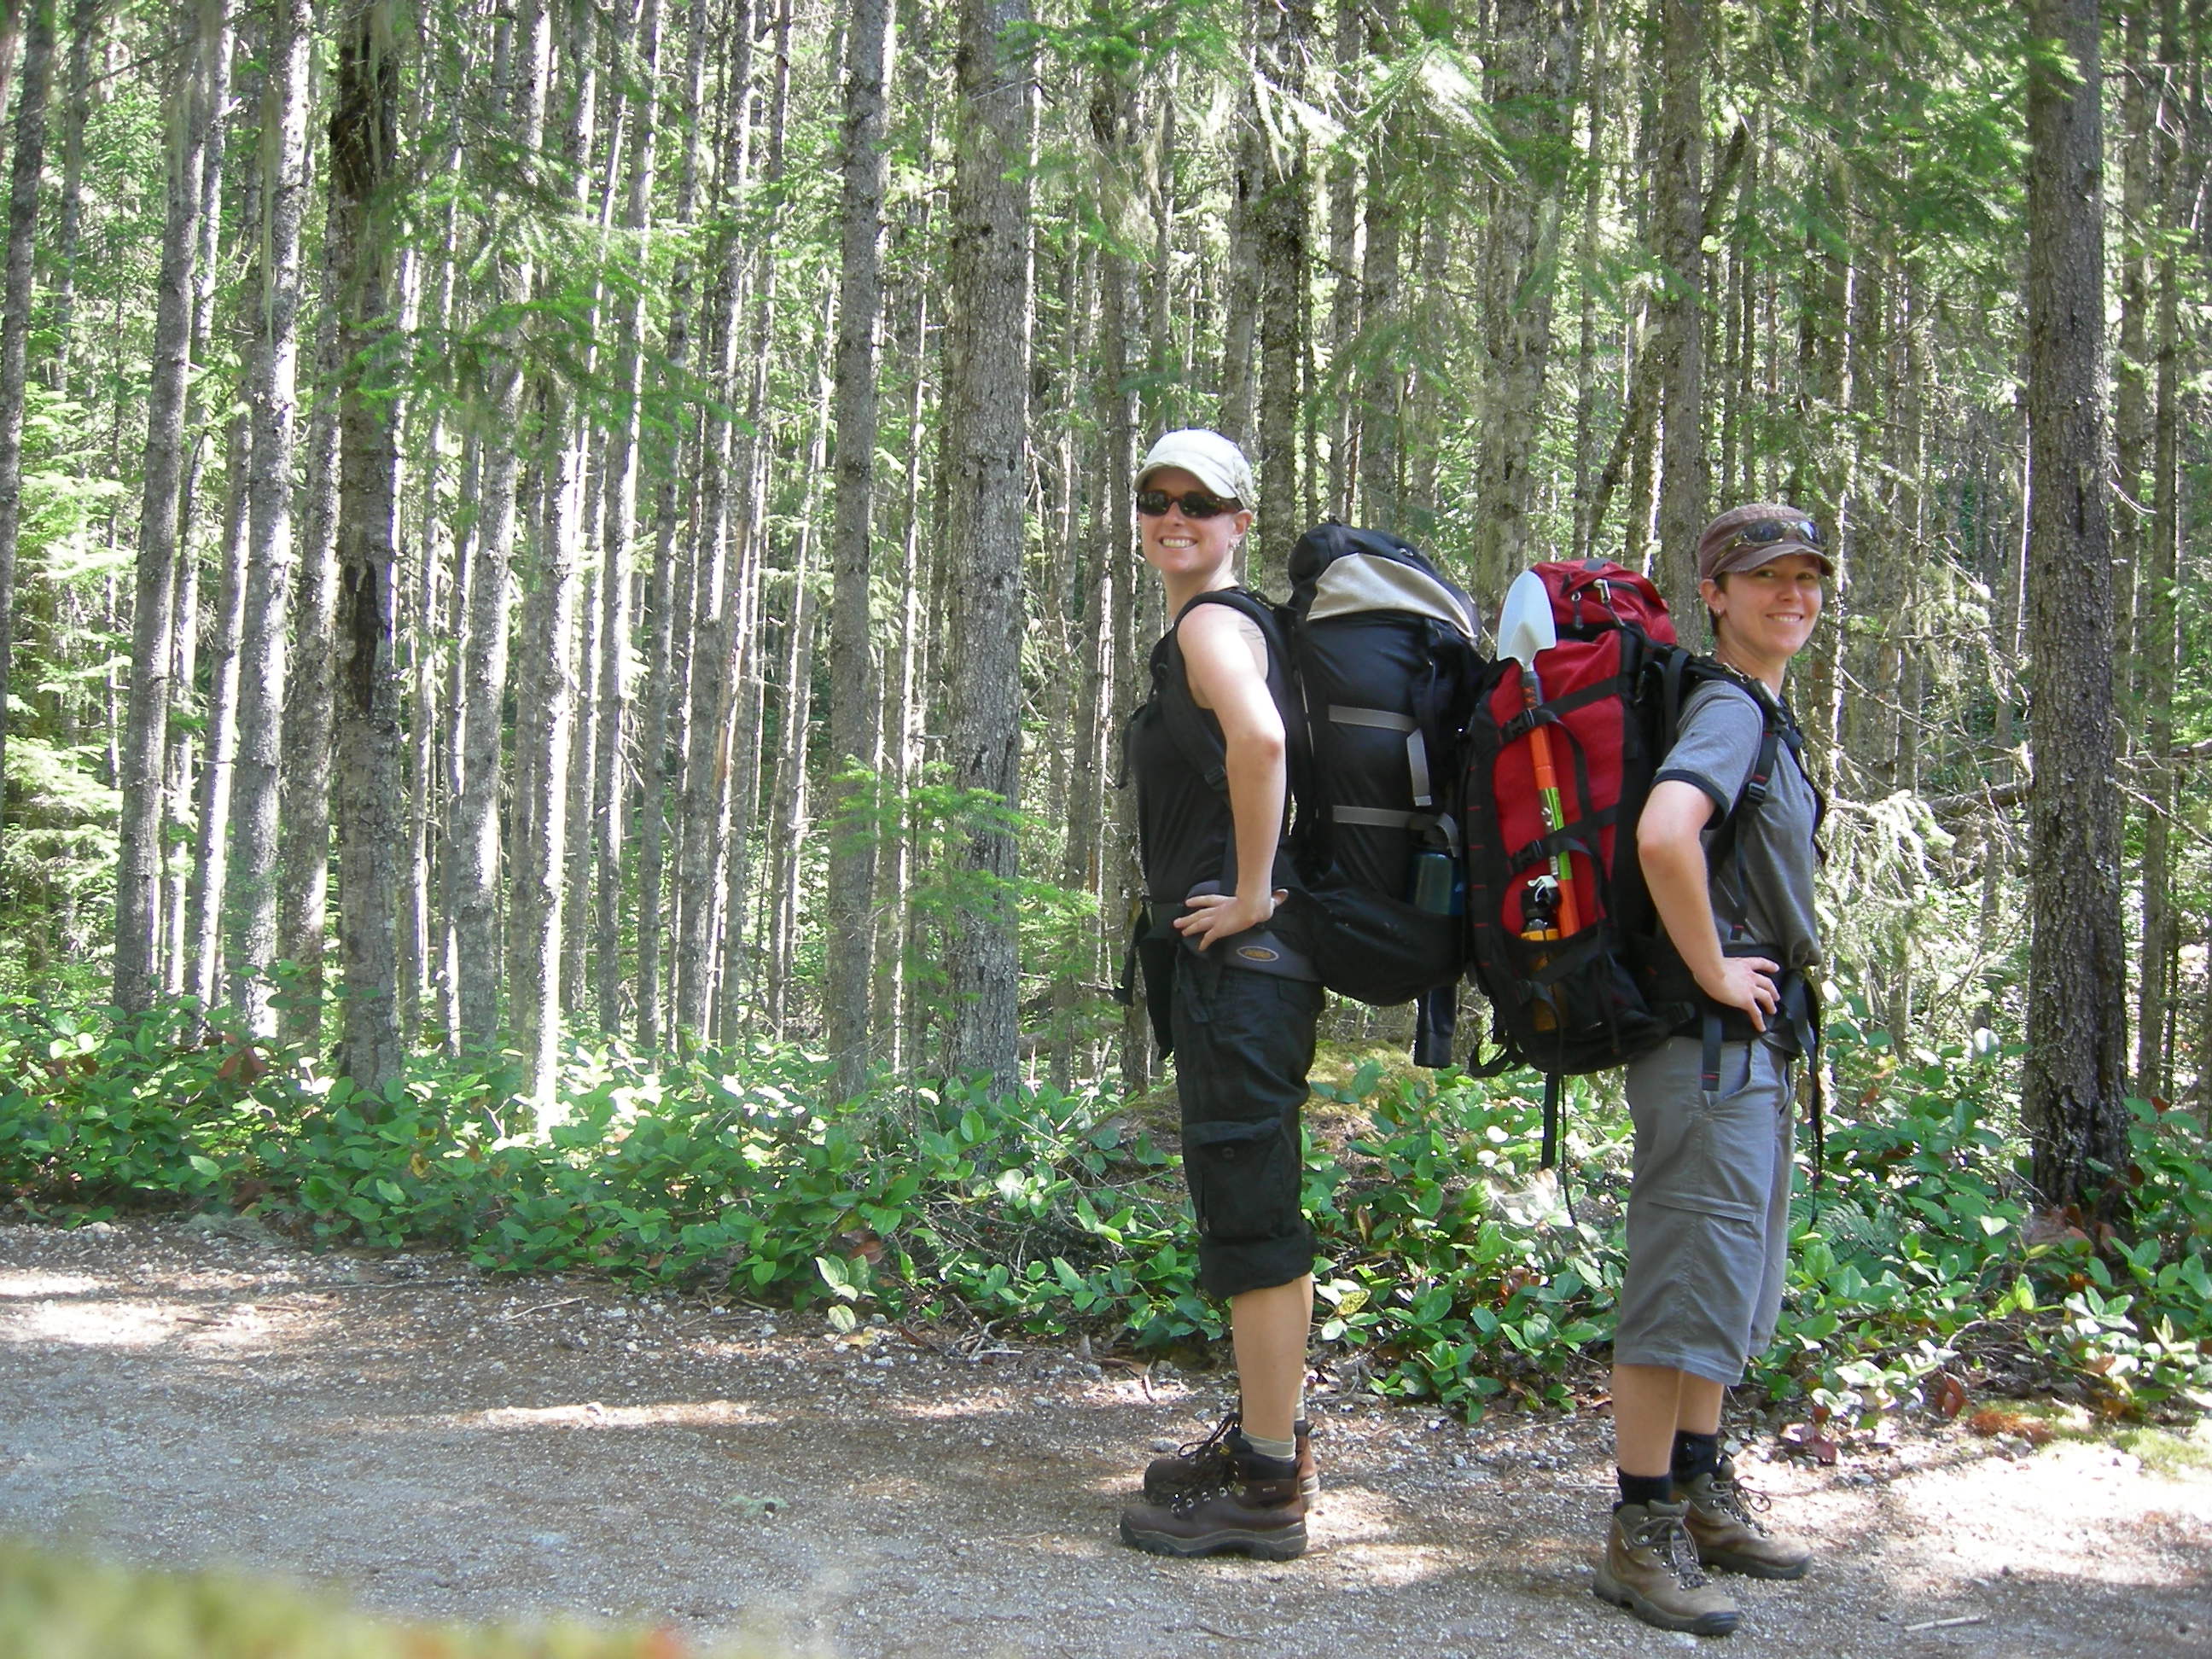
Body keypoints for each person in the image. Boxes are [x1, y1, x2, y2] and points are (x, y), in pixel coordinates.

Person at [1592, 504, 1831, 1636]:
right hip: (1706, 1050)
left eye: (1807, 577)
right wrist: (1713, 968)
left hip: (1740, 1054)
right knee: (1686, 1281)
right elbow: (1663, 833)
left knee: (1724, 1276)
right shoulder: (1730, 710)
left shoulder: (1759, 712)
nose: (1793, 595)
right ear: (1717, 595)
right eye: (1767, 577)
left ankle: (1696, 1487)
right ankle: (1638, 1533)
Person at [1113, 429, 1321, 1563]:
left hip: (1241, 967)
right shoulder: (1238, 626)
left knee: (1253, 1220)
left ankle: (1271, 1484)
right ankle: (1262, 1436)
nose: (1174, 517)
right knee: (1251, 1205)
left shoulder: (1209, 628)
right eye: (1156, 499)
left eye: (1200, 502)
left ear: (1241, 521)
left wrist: (1248, 891)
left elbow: (1261, 738)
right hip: (1247, 973)